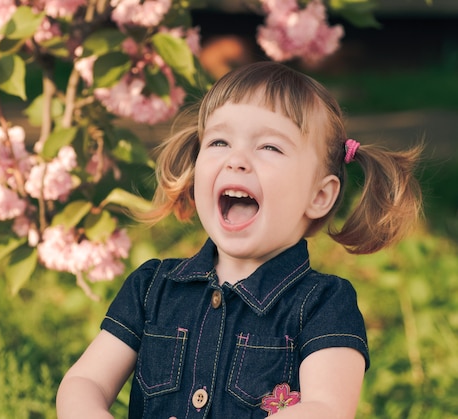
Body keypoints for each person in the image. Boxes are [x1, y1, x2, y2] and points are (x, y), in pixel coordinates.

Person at [56, 61, 422, 418]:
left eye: (270, 147)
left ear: (319, 196)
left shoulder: (323, 305)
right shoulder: (152, 288)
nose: (237, 160)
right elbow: (86, 381)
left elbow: (326, 408)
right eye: (219, 142)